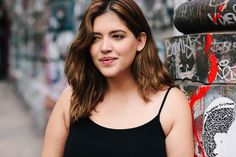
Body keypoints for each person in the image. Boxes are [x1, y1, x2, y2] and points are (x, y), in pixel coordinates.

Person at [41, 0, 194, 156]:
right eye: (95, 38)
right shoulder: (72, 98)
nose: (105, 47)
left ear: (140, 41)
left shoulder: (171, 104)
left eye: (117, 36)